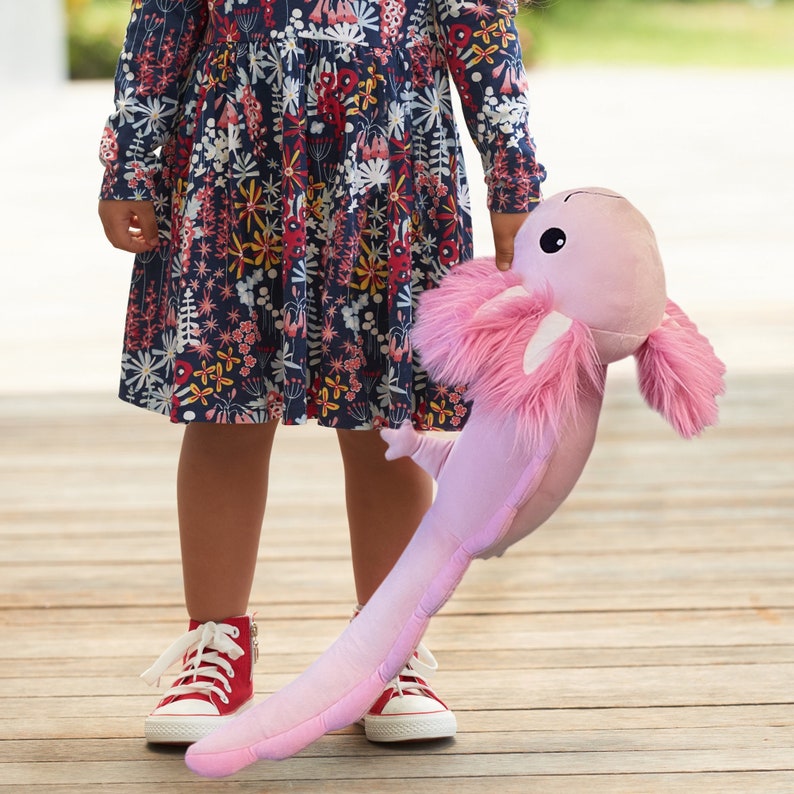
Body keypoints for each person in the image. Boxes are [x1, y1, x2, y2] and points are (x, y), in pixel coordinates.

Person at [98, 0, 545, 747]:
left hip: (390, 165)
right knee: (224, 408)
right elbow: (165, 17)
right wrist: (132, 157)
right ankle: (215, 645)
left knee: (385, 418)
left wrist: (513, 172)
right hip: (237, 157)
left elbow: (477, 19)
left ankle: (385, 652)